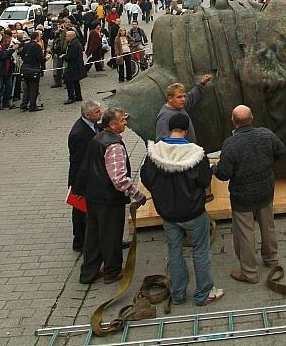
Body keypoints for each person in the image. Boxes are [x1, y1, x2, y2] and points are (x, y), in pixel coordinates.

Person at [141, 113, 225, 306]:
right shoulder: (196, 153)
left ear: (170, 129)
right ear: (186, 130)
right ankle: (204, 293)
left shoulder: (154, 152)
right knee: (200, 250)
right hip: (194, 212)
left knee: (174, 251)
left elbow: (147, 179)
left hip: (168, 214)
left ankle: (178, 295)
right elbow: (204, 181)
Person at [214, 105, 285, 284]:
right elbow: (281, 152)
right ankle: (271, 260)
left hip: (242, 196)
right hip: (265, 190)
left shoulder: (231, 144)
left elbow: (224, 174)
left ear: (233, 121)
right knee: (268, 226)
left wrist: (213, 168)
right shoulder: (266, 134)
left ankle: (249, 273)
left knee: (245, 233)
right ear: (252, 118)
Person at [79, 108, 146, 285]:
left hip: (93, 196)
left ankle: (89, 272)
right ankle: (112, 272)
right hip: (108, 199)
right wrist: (137, 194)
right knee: (111, 236)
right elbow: (119, 179)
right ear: (112, 124)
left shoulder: (98, 137)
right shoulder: (114, 145)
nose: (125, 123)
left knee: (93, 235)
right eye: (122, 121)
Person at [68, 99, 103, 252]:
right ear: (88, 115)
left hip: (91, 176)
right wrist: (76, 186)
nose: (100, 114)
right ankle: (81, 242)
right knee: (81, 211)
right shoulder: (79, 134)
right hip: (83, 179)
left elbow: (98, 129)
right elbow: (76, 161)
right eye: (97, 112)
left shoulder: (92, 124)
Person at [155, 75, 212, 143]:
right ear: (170, 98)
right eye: (179, 97)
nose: (183, 99)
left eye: (184, 96)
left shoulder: (179, 105)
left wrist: (202, 83)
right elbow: (162, 143)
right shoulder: (164, 117)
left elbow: (191, 96)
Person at [19, 31, 44, 112]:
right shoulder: (37, 46)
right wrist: (46, 58)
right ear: (36, 37)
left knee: (27, 88)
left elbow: (22, 55)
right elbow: (40, 59)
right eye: (39, 36)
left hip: (25, 69)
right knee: (34, 88)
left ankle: (24, 104)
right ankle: (32, 106)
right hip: (34, 69)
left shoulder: (26, 45)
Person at [0, 35, 18, 110]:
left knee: (8, 88)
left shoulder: (7, 49)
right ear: (3, 42)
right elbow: (3, 56)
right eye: (8, 42)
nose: (9, 44)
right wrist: (12, 50)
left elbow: (9, 57)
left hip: (8, 71)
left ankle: (6, 102)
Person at [62, 30, 86, 104]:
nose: (65, 37)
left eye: (66, 36)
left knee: (69, 82)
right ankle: (78, 96)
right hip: (77, 66)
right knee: (76, 82)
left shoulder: (73, 45)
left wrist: (63, 56)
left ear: (70, 37)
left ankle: (71, 97)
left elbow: (71, 56)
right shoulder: (76, 43)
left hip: (72, 66)